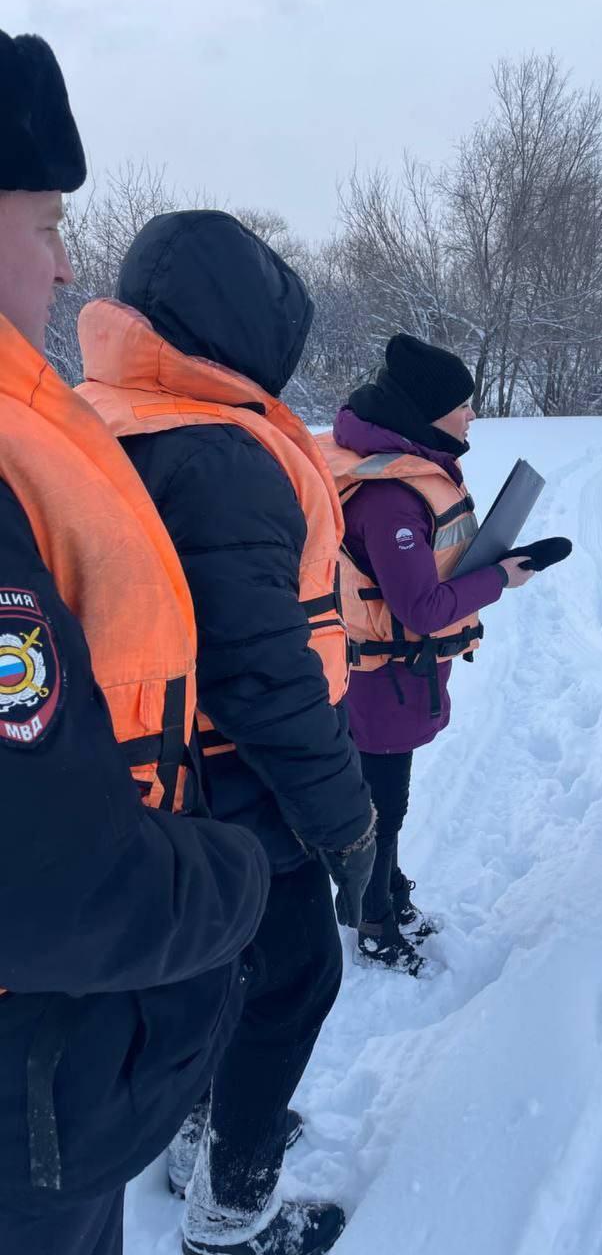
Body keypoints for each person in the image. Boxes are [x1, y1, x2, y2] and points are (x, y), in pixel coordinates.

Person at [0, 31, 271, 1255]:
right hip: (33, 1068)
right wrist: (236, 873)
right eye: (47, 223)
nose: (65, 271)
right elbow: (48, 883)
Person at [77, 210, 376, 1255]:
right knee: (293, 979)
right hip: (232, 782)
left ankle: (197, 1123)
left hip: (133, 775)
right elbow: (260, 671)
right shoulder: (216, 451)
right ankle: (233, 1211)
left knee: (202, 973)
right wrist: (346, 823)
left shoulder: (96, 414)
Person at [317, 335, 537, 974]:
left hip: (393, 676)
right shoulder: (391, 497)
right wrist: (500, 579)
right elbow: (420, 609)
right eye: (463, 405)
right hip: (380, 681)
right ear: (427, 411)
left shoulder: (402, 468)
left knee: (387, 801)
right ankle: (372, 921)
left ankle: (384, 892)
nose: (472, 416)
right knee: (384, 806)